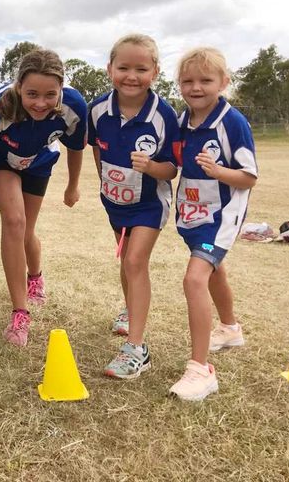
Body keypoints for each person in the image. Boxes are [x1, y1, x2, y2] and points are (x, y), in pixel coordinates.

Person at [0, 47, 86, 347]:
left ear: (61, 89)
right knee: (14, 221)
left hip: (39, 162)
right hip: (1, 161)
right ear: (19, 86)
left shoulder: (74, 106)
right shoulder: (1, 106)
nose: (40, 103)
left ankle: (35, 276)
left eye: (50, 95)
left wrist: (73, 185)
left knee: (27, 231)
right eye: (32, 94)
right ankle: (20, 313)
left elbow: (76, 148)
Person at [87, 34, 179, 379]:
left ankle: (136, 349)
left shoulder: (164, 116)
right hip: (114, 202)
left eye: (141, 69)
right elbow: (96, 147)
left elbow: (172, 169)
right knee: (127, 262)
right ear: (110, 68)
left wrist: (151, 167)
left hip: (149, 204)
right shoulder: (97, 109)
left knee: (135, 261)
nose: (131, 76)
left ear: (155, 71)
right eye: (124, 67)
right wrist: (103, 179)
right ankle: (130, 309)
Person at [168, 47, 257, 401]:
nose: (196, 87)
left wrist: (219, 171)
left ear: (223, 82)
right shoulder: (182, 120)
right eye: (187, 81)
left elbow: (249, 176)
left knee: (195, 278)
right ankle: (230, 328)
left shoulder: (232, 123)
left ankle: (200, 370)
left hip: (222, 215)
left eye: (205, 80)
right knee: (214, 270)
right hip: (193, 214)